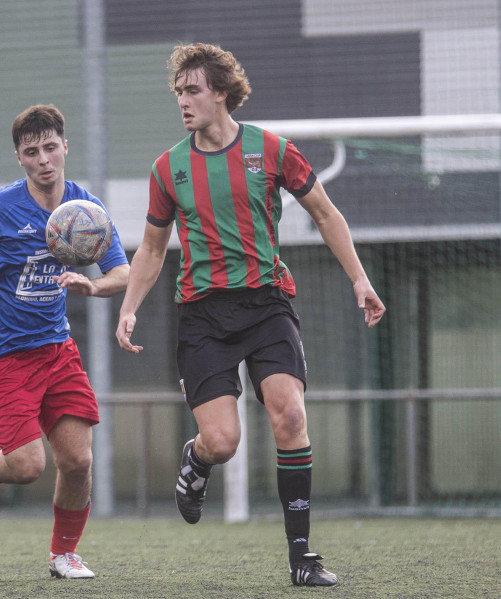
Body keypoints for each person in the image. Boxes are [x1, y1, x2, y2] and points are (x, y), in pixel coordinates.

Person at [115, 43, 385, 587]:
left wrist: (360, 278)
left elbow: (326, 215)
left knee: (289, 415)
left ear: (221, 93)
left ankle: (302, 558)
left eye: (192, 91)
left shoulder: (272, 150)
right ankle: (197, 461)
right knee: (223, 443)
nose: (183, 101)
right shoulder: (168, 168)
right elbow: (149, 248)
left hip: (266, 303)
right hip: (202, 315)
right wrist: (129, 307)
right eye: (178, 92)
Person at [0, 104, 129, 579]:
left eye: (49, 147)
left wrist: (93, 286)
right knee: (26, 466)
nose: (43, 159)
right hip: (2, 357)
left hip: (57, 349)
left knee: (78, 460)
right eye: (31, 151)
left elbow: (121, 272)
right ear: (19, 158)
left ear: (65, 146)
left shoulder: (86, 211)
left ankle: (64, 555)